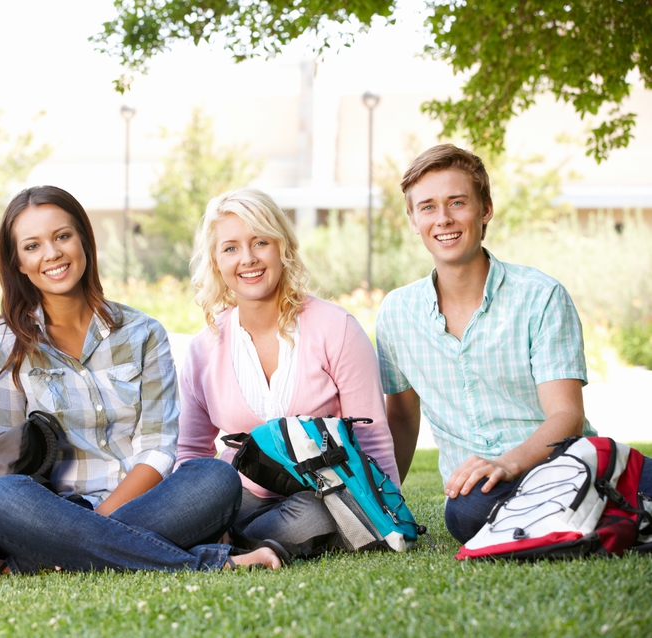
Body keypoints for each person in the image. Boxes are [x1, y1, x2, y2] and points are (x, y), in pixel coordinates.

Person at [0, 185, 285, 574]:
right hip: (50, 513)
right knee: (3, 495)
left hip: (147, 504)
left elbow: (158, 449)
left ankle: (47, 560)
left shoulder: (142, 332)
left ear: (83, 240)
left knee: (215, 476)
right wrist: (68, 523)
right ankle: (202, 563)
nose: (52, 253)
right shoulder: (0, 346)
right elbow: (8, 462)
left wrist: (95, 524)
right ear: (17, 263)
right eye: (32, 246)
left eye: (62, 236)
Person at [373, 144, 649, 543]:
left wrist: (507, 463)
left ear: (485, 209)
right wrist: (384, 507)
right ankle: (613, 519)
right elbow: (401, 417)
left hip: (568, 465)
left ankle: (609, 513)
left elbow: (566, 415)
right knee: (467, 513)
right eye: (428, 207)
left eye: (457, 202)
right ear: (413, 220)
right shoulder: (396, 312)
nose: (444, 219)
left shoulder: (540, 295)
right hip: (481, 494)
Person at [176, 188, 400, 557]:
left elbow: (372, 436)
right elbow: (191, 453)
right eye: (230, 248)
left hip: (320, 494)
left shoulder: (337, 327)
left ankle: (232, 543)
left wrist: (387, 513)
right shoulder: (204, 349)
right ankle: (231, 537)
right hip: (238, 497)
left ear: (282, 247)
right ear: (216, 261)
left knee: (317, 514)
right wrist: (199, 513)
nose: (247, 259)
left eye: (260, 242)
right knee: (211, 494)